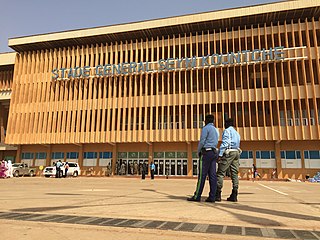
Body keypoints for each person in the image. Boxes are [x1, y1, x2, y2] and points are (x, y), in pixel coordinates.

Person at [187, 114, 219, 202]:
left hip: (206, 153)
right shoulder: (216, 130)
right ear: (213, 121)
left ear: (205, 121)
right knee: (213, 175)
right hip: (214, 152)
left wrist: (198, 151)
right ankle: (212, 197)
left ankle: (197, 196)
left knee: (202, 175)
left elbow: (202, 141)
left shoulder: (206, 128)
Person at [216, 118, 241, 202]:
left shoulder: (227, 131)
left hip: (229, 152)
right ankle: (234, 193)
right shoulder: (237, 133)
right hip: (236, 152)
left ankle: (218, 194)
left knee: (220, 173)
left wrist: (220, 154)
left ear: (226, 124)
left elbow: (225, 143)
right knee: (234, 173)